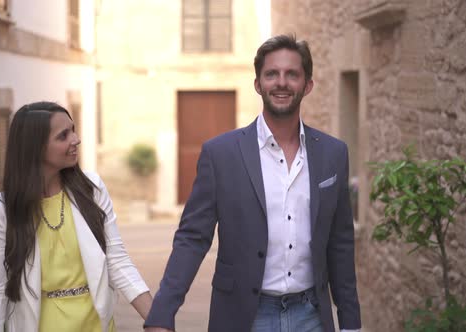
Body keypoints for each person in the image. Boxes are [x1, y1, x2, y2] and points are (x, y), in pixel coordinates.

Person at [144, 34, 361, 332]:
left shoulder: (333, 153)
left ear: (307, 85)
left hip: (311, 316)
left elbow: (340, 243)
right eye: (271, 74)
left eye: (292, 74)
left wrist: (351, 324)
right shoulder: (220, 154)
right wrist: (161, 313)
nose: (281, 82)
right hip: (244, 317)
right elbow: (192, 238)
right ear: (258, 84)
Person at [0, 101, 152, 332]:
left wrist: (155, 319)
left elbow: (117, 260)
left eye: (72, 129)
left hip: (96, 324)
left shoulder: (92, 189)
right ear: (36, 148)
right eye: (63, 136)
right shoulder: (0, 210)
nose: (76, 139)